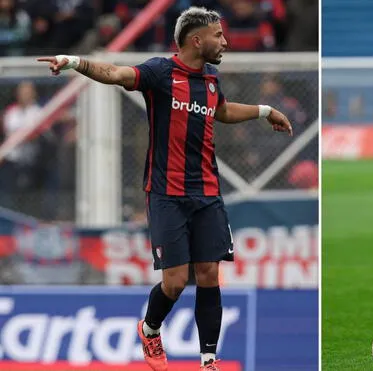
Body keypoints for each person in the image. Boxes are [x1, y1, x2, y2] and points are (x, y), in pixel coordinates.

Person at [37, 6, 293, 371]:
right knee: (174, 283)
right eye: (218, 35)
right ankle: (150, 327)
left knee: (208, 274)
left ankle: (208, 362)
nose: (225, 41)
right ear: (196, 39)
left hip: (207, 192)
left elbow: (220, 111)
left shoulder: (210, 78)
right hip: (166, 193)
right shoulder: (160, 72)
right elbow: (114, 72)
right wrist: (73, 60)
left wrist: (265, 111)